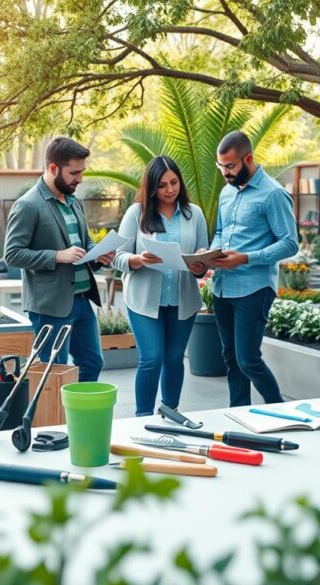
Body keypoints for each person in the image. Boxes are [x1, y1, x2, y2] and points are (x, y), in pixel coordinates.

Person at [3, 137, 115, 382]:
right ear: (53, 168)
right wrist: (57, 256)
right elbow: (11, 254)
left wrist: (100, 255)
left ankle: (79, 419)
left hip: (83, 300)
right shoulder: (28, 205)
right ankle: (54, 421)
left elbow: (85, 244)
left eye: (82, 172)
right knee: (53, 373)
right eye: (74, 173)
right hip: (50, 306)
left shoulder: (74, 202)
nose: (80, 179)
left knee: (93, 364)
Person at [113, 156, 210, 416]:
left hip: (183, 299)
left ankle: (170, 412)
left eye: (174, 182)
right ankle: (142, 417)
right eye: (162, 185)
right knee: (152, 358)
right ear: (151, 187)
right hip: (144, 301)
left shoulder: (195, 213)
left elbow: (203, 251)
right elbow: (117, 257)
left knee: (174, 359)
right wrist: (138, 259)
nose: (169, 190)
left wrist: (201, 261)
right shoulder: (137, 213)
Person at [208, 130, 298, 406]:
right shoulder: (226, 193)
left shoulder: (273, 194)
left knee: (248, 360)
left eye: (230, 166)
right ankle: (240, 416)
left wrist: (245, 258)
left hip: (254, 289)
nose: (225, 172)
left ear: (248, 158)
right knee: (232, 360)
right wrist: (209, 253)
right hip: (223, 288)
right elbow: (221, 232)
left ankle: (284, 412)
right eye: (220, 166)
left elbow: (290, 244)